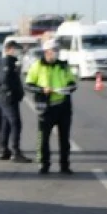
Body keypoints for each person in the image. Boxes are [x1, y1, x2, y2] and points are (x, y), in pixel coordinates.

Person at [25, 39, 77, 175]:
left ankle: (64, 165)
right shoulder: (37, 65)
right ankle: (43, 163)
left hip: (63, 106)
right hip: (46, 107)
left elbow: (73, 83)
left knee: (64, 139)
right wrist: (42, 89)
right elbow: (28, 84)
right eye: (53, 50)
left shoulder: (63, 66)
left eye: (57, 50)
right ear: (47, 52)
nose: (55, 53)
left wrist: (67, 88)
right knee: (43, 138)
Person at [0, 41, 32, 163]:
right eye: (16, 49)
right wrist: (15, 91)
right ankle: (15, 151)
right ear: (9, 49)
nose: (18, 52)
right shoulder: (7, 61)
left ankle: (4, 150)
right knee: (15, 123)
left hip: (8, 97)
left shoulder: (12, 62)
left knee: (6, 124)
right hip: (8, 97)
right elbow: (4, 79)